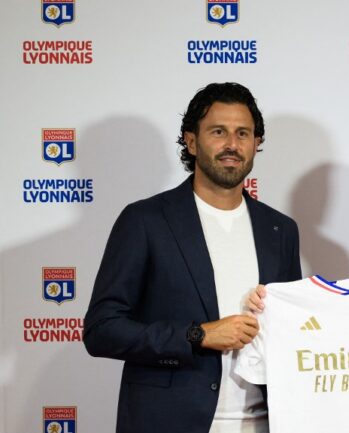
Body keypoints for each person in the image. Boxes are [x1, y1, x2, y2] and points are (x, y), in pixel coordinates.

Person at [84, 82, 301, 433]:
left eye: (243, 133)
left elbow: (291, 329)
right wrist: (197, 335)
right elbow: (102, 330)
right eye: (219, 132)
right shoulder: (145, 221)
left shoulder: (281, 229)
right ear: (191, 141)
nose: (232, 144)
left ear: (256, 144)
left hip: (263, 423)